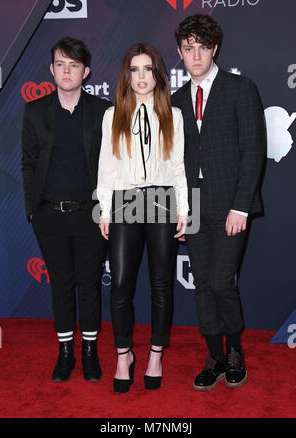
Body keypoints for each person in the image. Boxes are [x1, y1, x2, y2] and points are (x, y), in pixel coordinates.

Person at [171, 14, 266, 390]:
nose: (196, 55)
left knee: (222, 281)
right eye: (188, 48)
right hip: (192, 207)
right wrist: (177, 211)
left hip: (231, 206)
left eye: (202, 47)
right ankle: (213, 356)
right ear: (180, 52)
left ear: (215, 49)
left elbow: (253, 150)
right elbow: (172, 162)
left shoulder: (240, 88)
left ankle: (235, 351)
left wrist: (241, 207)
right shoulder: (175, 99)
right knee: (203, 285)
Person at [97, 43, 189, 393]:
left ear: (158, 74)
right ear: (126, 75)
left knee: (161, 284)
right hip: (124, 199)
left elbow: (179, 166)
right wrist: (104, 210)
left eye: (148, 69)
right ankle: (123, 355)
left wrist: (185, 210)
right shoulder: (113, 115)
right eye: (134, 70)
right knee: (121, 282)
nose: (141, 77)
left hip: (163, 199)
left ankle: (154, 355)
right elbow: (106, 168)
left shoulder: (173, 115)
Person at [21, 37, 111, 382]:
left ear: (85, 71)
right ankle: (65, 353)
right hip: (48, 214)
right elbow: (28, 163)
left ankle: (89, 352)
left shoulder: (103, 111)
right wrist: (32, 208)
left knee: (89, 284)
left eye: (74, 65)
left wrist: (107, 210)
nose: (67, 71)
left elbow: (113, 164)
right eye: (61, 64)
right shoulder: (35, 111)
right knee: (60, 284)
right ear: (51, 70)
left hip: (90, 213)